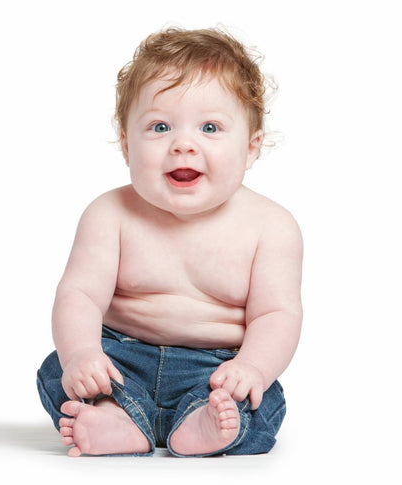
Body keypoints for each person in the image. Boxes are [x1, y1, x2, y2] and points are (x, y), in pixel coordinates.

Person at [37, 26, 303, 457]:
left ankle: (205, 424)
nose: (183, 145)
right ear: (126, 145)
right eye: (160, 126)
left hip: (215, 371)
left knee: (261, 398)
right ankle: (119, 418)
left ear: (252, 147)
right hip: (121, 362)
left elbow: (278, 313)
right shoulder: (109, 215)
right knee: (57, 368)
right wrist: (83, 354)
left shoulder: (271, 227)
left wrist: (251, 367)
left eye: (210, 127)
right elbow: (79, 294)